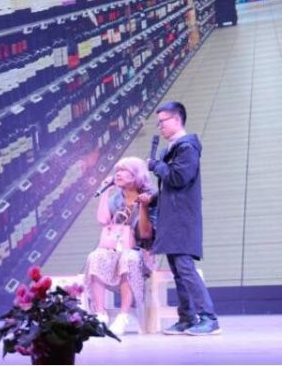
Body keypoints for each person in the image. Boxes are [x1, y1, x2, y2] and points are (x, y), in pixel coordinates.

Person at [147, 101, 221, 336]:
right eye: (158, 123)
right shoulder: (174, 149)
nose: (160, 126)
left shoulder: (187, 147)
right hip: (172, 218)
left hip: (181, 219)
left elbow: (179, 178)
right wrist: (153, 198)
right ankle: (187, 318)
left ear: (177, 120)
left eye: (163, 121)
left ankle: (209, 318)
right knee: (179, 272)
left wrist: (157, 166)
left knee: (185, 268)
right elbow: (172, 186)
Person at [84, 157, 157, 335]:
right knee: (95, 256)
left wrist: (143, 207)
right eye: (117, 171)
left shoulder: (151, 196)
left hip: (141, 253)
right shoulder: (117, 198)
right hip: (116, 252)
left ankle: (123, 316)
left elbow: (145, 234)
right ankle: (100, 314)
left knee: (128, 258)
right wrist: (105, 191)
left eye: (123, 170)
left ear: (136, 175)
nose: (118, 174)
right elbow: (103, 221)